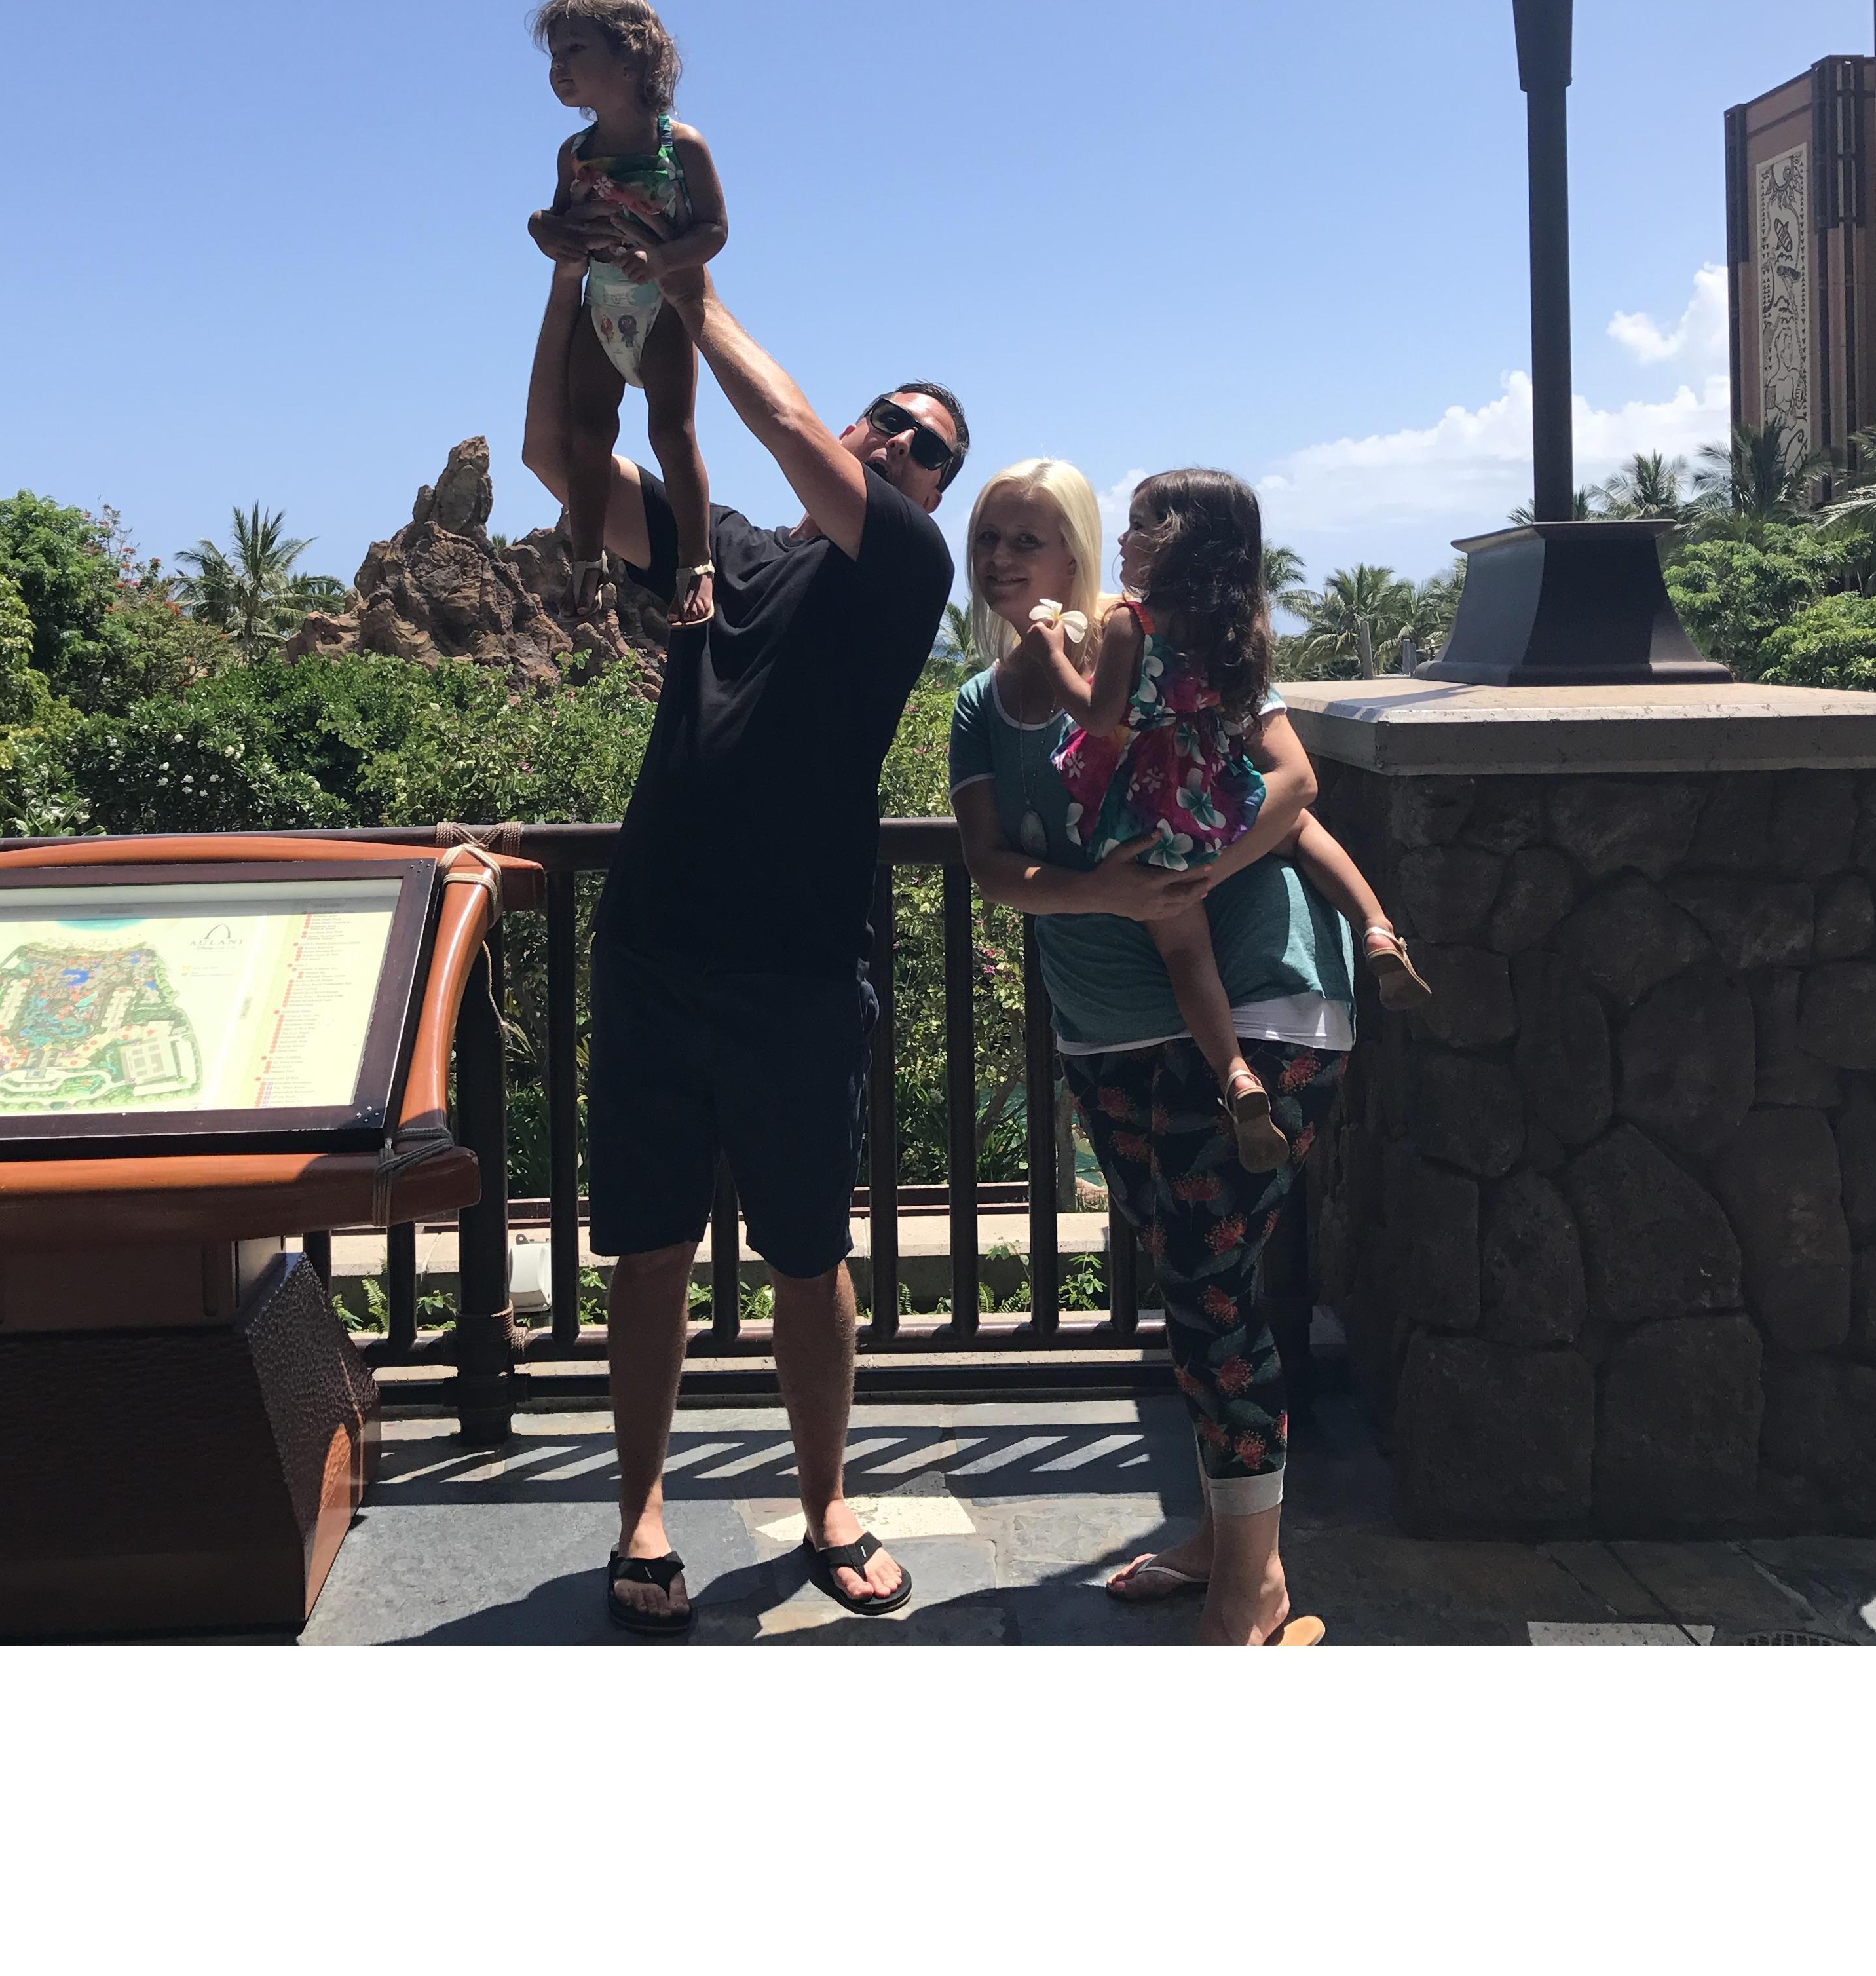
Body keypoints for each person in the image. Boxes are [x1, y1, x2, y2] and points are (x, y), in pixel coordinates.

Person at [521, 208, 964, 1639]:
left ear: (935, 495)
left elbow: (784, 430)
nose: (899, 443)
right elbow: (560, 464)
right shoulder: (726, 548)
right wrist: (573, 286)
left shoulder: (904, 576)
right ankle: (642, 1508)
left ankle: (827, 1499)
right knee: (645, 1250)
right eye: (889, 421)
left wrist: (685, 291)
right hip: (654, 948)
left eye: (927, 447)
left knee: (807, 1256)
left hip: (799, 965)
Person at [948, 456, 1366, 1646]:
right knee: (1195, 1292)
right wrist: (1109, 893)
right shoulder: (978, 705)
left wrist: (1204, 874)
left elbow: (1290, 781)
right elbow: (990, 869)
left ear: (1083, 551)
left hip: (1261, 1004)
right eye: (986, 539)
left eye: (1028, 536)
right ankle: (1222, 1541)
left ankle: (1256, 1585)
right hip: (1109, 1033)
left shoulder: (1174, 649)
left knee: (1210, 1290)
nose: (1001, 559)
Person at [1006, 469, 1404, 1175]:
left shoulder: (1133, 622)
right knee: (1301, 827)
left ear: (1176, 541)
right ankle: (1375, 929)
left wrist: (1051, 654)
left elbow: (1101, 717)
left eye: (1138, 525)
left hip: (1156, 802)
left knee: (1186, 953)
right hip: (1218, 788)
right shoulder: (1232, 628)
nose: (1122, 539)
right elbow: (1278, 760)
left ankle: (1236, 1078)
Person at [533, 0, 730, 632]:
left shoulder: (680, 148)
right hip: (601, 306)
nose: (559, 65)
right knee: (588, 437)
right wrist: (541, 227)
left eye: (575, 50)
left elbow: (715, 232)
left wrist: (664, 262)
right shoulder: (576, 154)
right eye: (554, 54)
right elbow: (560, 225)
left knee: (671, 431)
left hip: (664, 308)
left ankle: (695, 565)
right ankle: (587, 561)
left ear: (633, 59)